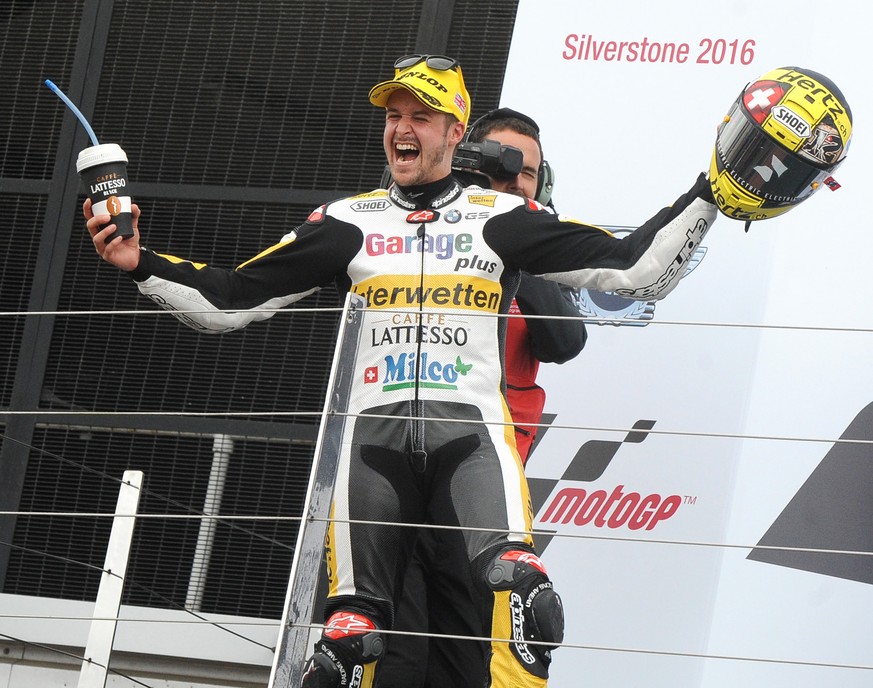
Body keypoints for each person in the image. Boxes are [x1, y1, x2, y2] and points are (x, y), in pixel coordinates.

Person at [84, 54, 719, 688]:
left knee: (517, 580)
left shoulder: (499, 218)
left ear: (454, 133)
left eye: (421, 115)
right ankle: (343, 648)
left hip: (468, 436)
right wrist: (141, 263)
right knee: (350, 633)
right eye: (393, 116)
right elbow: (231, 301)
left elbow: (634, 271)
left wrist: (711, 191)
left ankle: (522, 601)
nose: (402, 128)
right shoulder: (346, 222)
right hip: (374, 445)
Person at [377, 108, 586, 688]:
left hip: (480, 498)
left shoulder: (528, 245)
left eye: (530, 172)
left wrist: (515, 236)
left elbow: (566, 340)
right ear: (468, 162)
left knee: (467, 663)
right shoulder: (420, 237)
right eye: (505, 164)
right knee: (393, 655)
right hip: (401, 477)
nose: (517, 179)